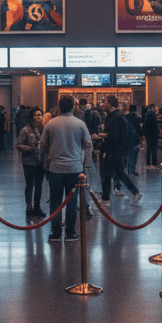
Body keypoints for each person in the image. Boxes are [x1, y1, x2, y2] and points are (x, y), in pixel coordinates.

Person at [39, 95, 94, 242]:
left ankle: (56, 233)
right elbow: (88, 143)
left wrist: (45, 158)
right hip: (75, 168)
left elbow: (42, 145)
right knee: (72, 201)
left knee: (55, 200)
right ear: (72, 107)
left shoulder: (51, 124)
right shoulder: (79, 123)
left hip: (55, 168)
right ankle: (70, 232)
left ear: (59, 107)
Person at [96, 95, 143, 205]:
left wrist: (101, 135)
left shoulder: (112, 117)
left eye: (105, 102)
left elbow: (113, 136)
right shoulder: (121, 115)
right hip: (121, 150)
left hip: (112, 150)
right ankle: (135, 192)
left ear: (110, 104)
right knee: (120, 172)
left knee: (106, 173)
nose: (103, 105)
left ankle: (106, 199)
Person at [16, 106, 47, 218]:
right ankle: (29, 206)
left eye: (39, 115)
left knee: (39, 185)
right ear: (31, 116)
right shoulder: (26, 129)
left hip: (41, 161)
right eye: (36, 115)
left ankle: (37, 206)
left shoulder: (44, 129)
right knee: (30, 185)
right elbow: (18, 144)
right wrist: (29, 148)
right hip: (29, 161)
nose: (38, 117)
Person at [125, 104, 143, 176]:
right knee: (134, 156)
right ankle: (132, 170)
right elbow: (139, 129)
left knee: (127, 156)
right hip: (135, 139)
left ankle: (127, 170)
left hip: (127, 139)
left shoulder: (125, 117)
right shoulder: (137, 118)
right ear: (136, 110)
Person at [144, 103, 160, 169]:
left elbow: (145, 125)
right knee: (154, 150)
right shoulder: (153, 114)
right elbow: (156, 125)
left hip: (148, 134)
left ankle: (147, 164)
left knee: (148, 149)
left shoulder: (147, 114)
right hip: (154, 134)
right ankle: (154, 164)